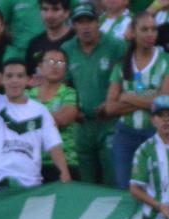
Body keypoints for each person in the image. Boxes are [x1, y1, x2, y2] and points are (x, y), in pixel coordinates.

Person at [0, 43, 71, 190]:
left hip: (30, 186)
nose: (14, 80)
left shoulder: (41, 111)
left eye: (19, 76)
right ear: (2, 80)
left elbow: (54, 145)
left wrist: (65, 175)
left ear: (28, 80)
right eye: (9, 76)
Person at [104, 11, 169, 190]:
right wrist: (150, 101)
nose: (150, 34)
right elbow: (109, 108)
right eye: (144, 29)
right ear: (133, 32)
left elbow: (166, 103)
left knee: (157, 187)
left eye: (154, 29)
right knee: (125, 187)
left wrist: (128, 97)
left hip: (155, 133)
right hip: (125, 135)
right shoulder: (122, 63)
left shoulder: (168, 61)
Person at [63, 1, 125, 186]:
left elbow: (127, 80)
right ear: (73, 25)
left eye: (89, 21)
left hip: (109, 123)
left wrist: (112, 104)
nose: (85, 27)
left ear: (98, 22)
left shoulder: (116, 46)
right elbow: (66, 84)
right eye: (80, 22)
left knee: (111, 180)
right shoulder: (67, 49)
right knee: (85, 182)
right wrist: (73, 108)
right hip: (81, 124)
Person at [28, 47, 81, 182]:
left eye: (60, 63)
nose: (55, 66)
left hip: (65, 163)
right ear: (40, 66)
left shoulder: (69, 93)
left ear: (66, 69)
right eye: (50, 62)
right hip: (31, 164)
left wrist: (30, 121)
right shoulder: (27, 95)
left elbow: (64, 119)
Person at [23, 0, 73, 75]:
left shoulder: (76, 40)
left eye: (55, 9)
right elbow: (29, 76)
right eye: (45, 9)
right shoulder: (34, 44)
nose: (49, 15)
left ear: (66, 13)